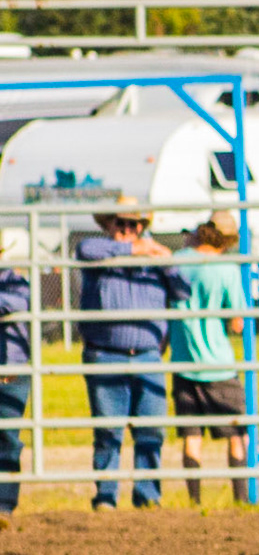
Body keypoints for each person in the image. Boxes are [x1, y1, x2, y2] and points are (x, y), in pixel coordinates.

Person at [76, 201, 186, 510]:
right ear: (109, 225)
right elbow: (84, 249)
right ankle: (106, 497)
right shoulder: (100, 253)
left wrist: (168, 262)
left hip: (147, 355)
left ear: (141, 227)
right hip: (106, 354)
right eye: (120, 223)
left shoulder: (155, 260)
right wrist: (134, 250)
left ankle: (147, 496)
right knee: (109, 430)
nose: (127, 229)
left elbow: (182, 291)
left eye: (133, 224)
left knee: (151, 429)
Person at [169, 211, 249, 505]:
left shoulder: (178, 261)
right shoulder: (226, 268)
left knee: (192, 437)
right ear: (227, 240)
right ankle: (241, 499)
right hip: (219, 365)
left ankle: (195, 501)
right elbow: (237, 321)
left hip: (183, 361)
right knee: (237, 434)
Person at [0, 263, 31, 513]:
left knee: (8, 439)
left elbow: (19, 302)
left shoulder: (13, 279)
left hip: (10, 370)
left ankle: (4, 506)